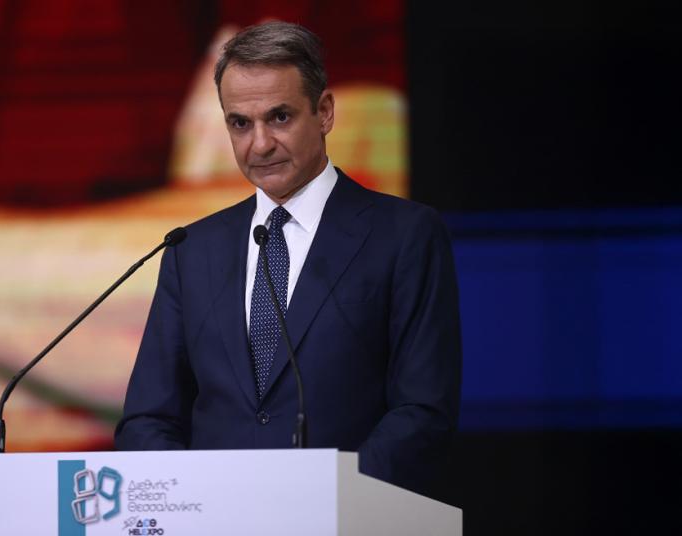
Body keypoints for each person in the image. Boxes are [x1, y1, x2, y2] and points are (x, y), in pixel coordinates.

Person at [115, 21, 461, 496]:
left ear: (324, 112)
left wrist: (330, 498)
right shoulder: (191, 249)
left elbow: (423, 410)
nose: (260, 144)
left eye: (279, 117)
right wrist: (193, 500)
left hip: (347, 515)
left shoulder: (404, 235)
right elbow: (148, 419)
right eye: (240, 123)